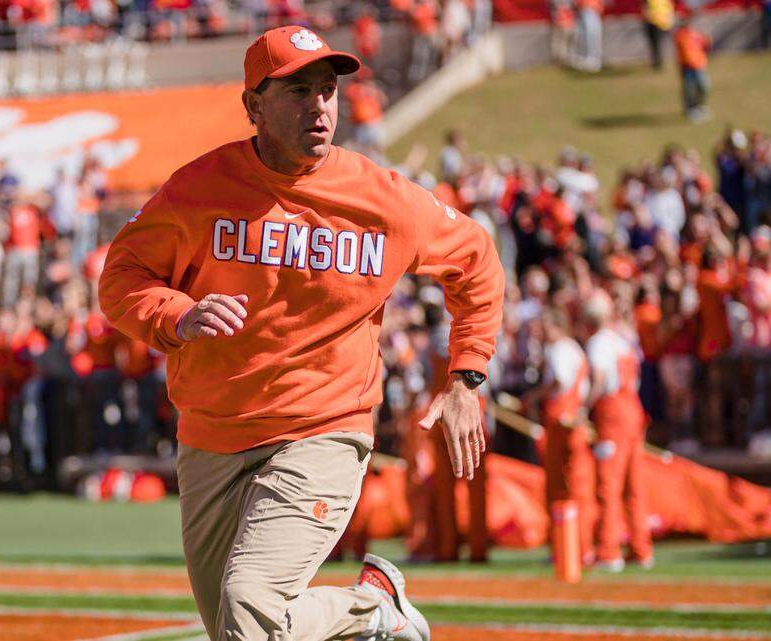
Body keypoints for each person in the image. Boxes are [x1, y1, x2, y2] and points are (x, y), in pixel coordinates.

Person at [99, 25, 505, 641]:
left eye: (327, 90)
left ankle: (375, 612)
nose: (318, 105)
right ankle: (373, 612)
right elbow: (121, 277)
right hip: (211, 433)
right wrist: (175, 315)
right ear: (252, 106)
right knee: (242, 629)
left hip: (323, 429)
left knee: (249, 609)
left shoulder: (382, 198)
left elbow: (476, 257)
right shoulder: (197, 189)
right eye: (297, 91)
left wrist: (466, 379)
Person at [583, 293, 653, 572]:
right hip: (633, 412)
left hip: (613, 415)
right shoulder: (622, 339)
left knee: (609, 486)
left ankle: (609, 551)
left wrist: (584, 407)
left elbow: (600, 378)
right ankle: (641, 548)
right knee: (634, 486)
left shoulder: (598, 342)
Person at [532, 308, 595, 566]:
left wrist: (533, 397)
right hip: (574, 420)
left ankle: (567, 547)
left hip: (561, 421)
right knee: (578, 485)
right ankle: (580, 547)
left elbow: (558, 381)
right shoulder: (576, 349)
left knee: (561, 487)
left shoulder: (558, 349)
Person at [673, 16, 710, 121]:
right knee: (689, 89)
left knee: (703, 86)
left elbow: (706, 44)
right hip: (687, 67)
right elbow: (683, 48)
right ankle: (690, 109)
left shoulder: (696, 34)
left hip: (699, 65)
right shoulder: (680, 36)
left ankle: (700, 105)